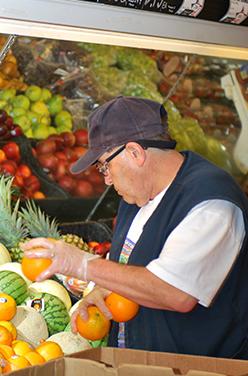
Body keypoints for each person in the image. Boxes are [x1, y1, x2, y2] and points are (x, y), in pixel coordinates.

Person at [22, 96, 248, 359]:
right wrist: (105, 288)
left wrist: (83, 265)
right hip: (144, 362)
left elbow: (176, 292)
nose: (106, 179)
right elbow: (136, 264)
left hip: (202, 367)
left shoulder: (212, 203)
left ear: (135, 153)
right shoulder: (137, 192)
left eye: (105, 165)